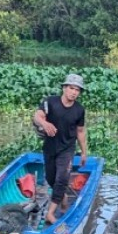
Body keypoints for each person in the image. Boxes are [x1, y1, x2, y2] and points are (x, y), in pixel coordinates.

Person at [33, 73, 88, 224]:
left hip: (67, 149)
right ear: (64, 88)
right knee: (51, 179)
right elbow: (37, 116)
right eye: (71, 88)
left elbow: (80, 131)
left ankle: (50, 213)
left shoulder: (79, 110)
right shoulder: (50, 102)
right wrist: (44, 124)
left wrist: (84, 152)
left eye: (77, 90)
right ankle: (62, 199)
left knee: (62, 178)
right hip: (50, 147)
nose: (74, 92)